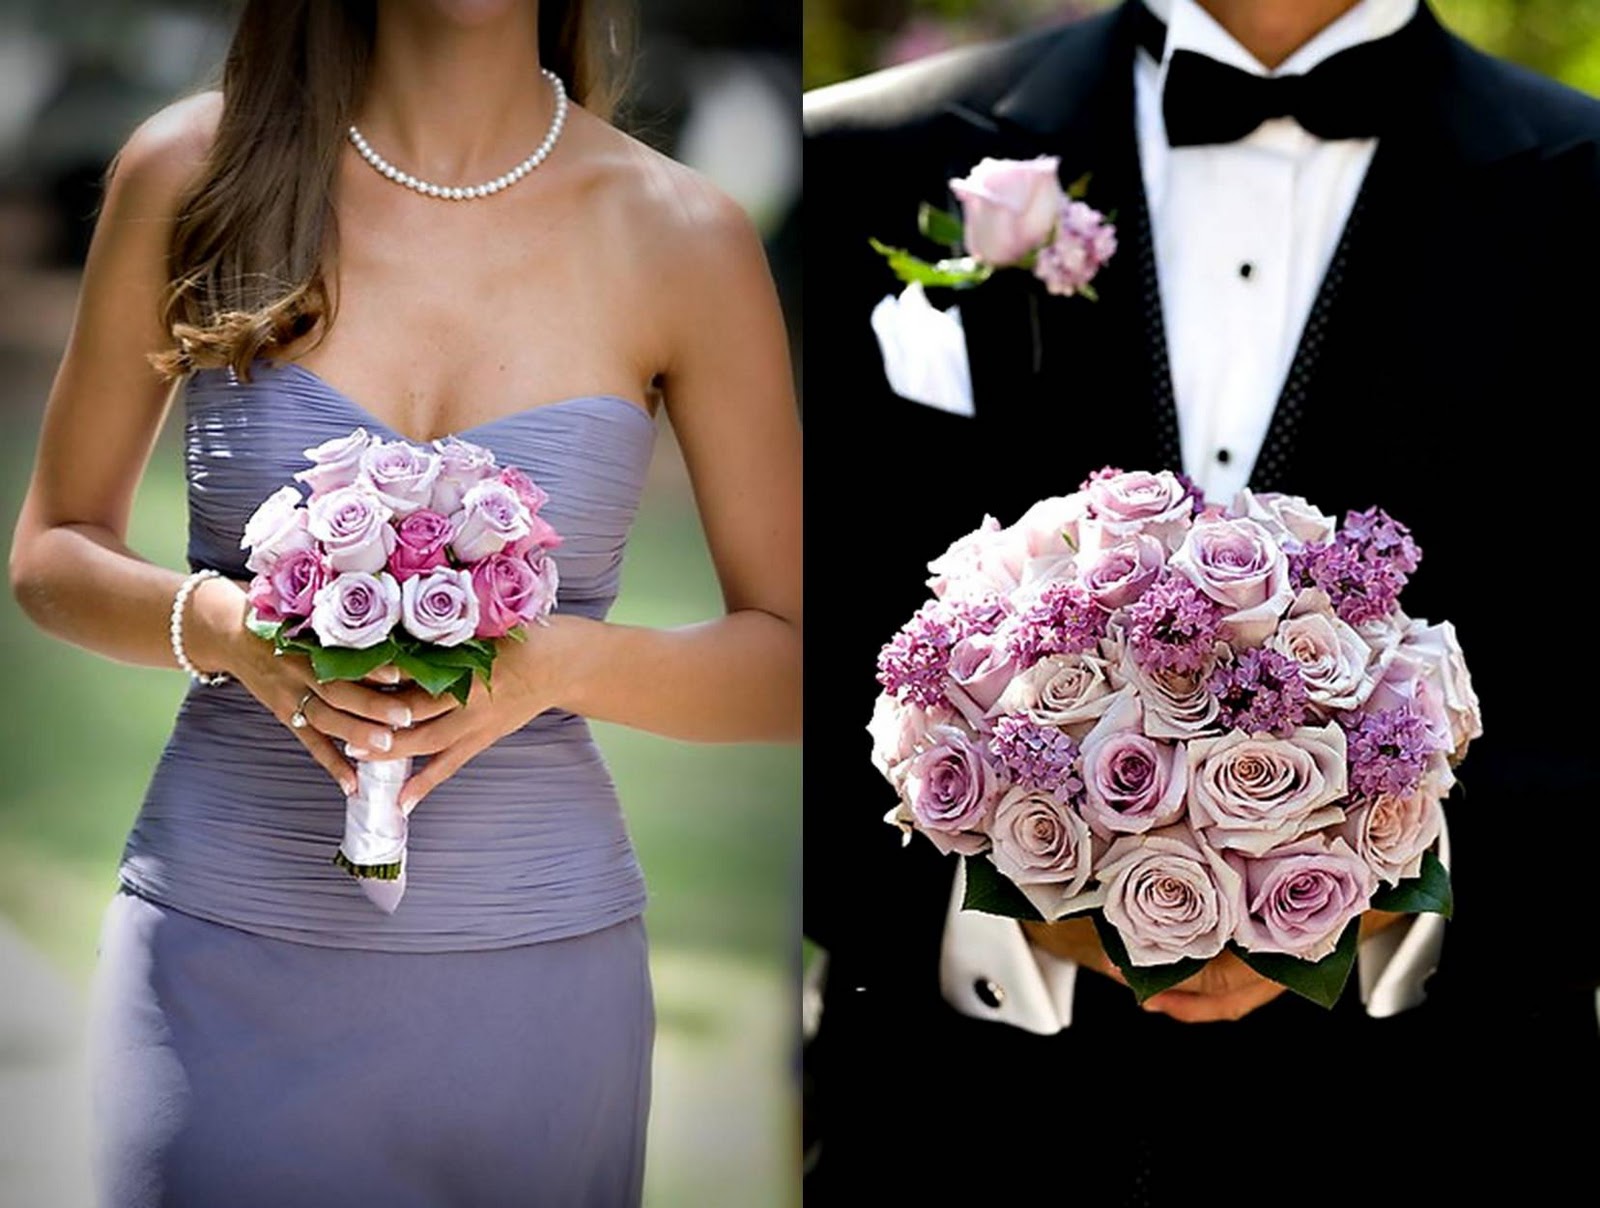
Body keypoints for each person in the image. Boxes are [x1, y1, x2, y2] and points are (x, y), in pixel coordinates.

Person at [7, 0, 801, 1203]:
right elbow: (52, 554)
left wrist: (558, 663)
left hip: (540, 990)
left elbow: (792, 654)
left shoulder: (685, 232)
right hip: (222, 948)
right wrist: (227, 631)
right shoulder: (193, 172)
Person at [803, 0, 1599, 1199]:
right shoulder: (855, 158)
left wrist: (1391, 899)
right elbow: (781, 639)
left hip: (1446, 1121)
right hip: (961, 1124)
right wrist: (999, 904)